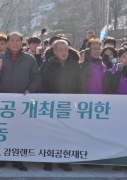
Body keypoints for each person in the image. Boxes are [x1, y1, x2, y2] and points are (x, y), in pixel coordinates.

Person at [0, 32, 40, 172]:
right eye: (11, 40)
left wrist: (30, 89)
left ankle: (17, 160)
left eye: (17, 40)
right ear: (7, 43)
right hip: (3, 103)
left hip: (22, 102)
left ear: (21, 42)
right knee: (2, 130)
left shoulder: (30, 59)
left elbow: (37, 78)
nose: (14, 43)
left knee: (19, 130)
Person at [40, 39, 83, 172]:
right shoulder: (47, 63)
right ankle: (48, 160)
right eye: (61, 50)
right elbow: (43, 79)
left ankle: (64, 160)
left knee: (66, 132)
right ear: (54, 51)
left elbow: (81, 83)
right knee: (50, 132)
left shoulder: (74, 64)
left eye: (66, 50)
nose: (64, 52)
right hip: (51, 103)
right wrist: (49, 65)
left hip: (68, 103)